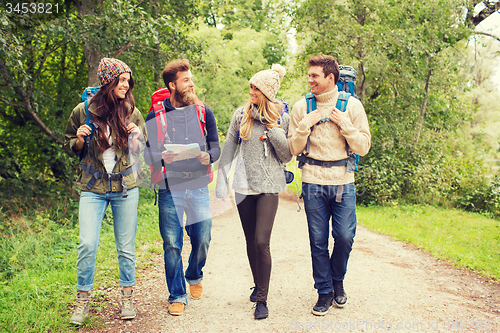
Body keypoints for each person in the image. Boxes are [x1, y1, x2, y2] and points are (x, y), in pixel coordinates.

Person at [64, 58, 146, 325]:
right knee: (87, 243)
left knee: (125, 247)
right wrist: (78, 140)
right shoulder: (83, 110)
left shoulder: (131, 111)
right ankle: (82, 300)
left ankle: (127, 298)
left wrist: (135, 139)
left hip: (124, 186)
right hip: (92, 186)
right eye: (122, 80)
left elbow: (142, 150)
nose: (126, 85)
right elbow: (69, 147)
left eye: (128, 81)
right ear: (108, 82)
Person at [288, 55, 371, 316]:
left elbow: (363, 147)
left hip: (343, 181)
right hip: (313, 180)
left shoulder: (352, 106)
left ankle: (338, 280)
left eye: (314, 75)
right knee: (318, 240)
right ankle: (324, 292)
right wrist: (304, 127)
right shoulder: (302, 107)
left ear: (330, 78)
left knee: (345, 237)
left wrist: (345, 125)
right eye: (309, 75)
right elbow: (293, 148)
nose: (309, 79)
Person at [143, 59, 220, 316]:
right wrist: (161, 157)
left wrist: (208, 157)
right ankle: (177, 294)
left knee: (203, 237)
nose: (191, 84)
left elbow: (215, 147)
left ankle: (194, 273)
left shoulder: (203, 112)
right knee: (172, 244)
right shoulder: (156, 115)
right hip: (169, 187)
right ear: (172, 85)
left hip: (198, 185)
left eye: (191, 79)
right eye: (186, 80)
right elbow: (147, 155)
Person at [216, 64, 292, 320]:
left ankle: (262, 299)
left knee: (262, 241)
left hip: (269, 187)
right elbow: (229, 147)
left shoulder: (281, 117)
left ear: (267, 92)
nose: (251, 91)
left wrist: (273, 129)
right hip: (243, 187)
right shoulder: (241, 115)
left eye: (256, 88)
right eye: (250, 87)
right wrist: (220, 180)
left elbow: (287, 155)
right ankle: (258, 284)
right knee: (250, 241)